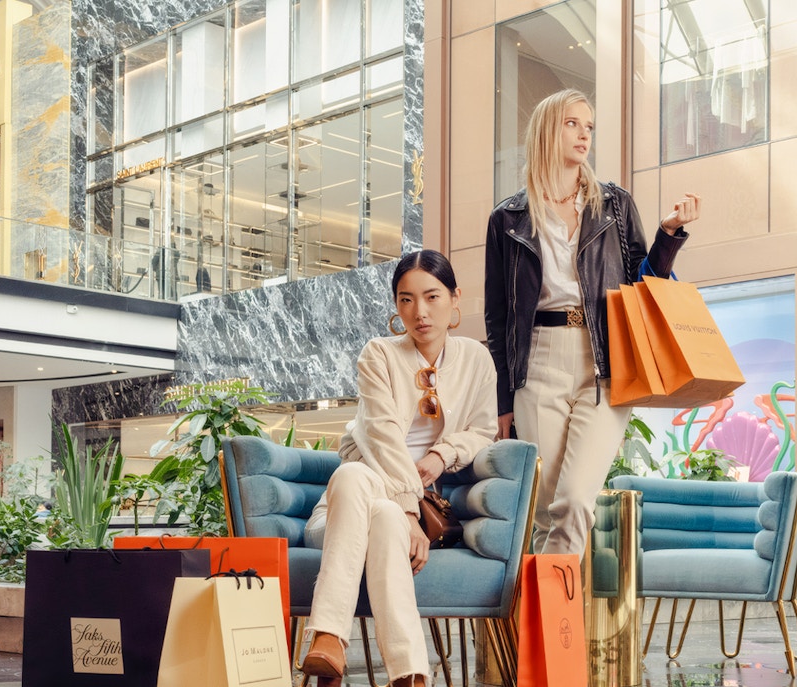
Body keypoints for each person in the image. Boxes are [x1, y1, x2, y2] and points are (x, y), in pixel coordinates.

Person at [484, 88, 701, 556]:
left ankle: (553, 626)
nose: (584, 135)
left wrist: (667, 236)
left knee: (577, 500)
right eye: (573, 124)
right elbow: (498, 321)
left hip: (604, 359)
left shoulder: (614, 206)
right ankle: (553, 624)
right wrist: (503, 401)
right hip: (537, 362)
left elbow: (647, 281)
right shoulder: (507, 217)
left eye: (589, 127)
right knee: (545, 511)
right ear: (547, 128)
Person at [300, 250, 498, 687]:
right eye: (406, 300)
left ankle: (330, 640)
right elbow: (382, 436)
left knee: (383, 511)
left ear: (454, 297)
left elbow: (484, 430)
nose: (420, 312)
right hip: (337, 515)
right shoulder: (379, 355)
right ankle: (408, 673)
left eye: (431, 296)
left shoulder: (476, 359)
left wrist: (440, 456)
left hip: (409, 508)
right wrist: (408, 510)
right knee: (354, 476)